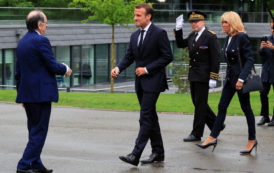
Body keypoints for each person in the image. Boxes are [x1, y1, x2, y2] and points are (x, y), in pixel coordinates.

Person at [111, 3, 173, 166]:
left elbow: (167, 56)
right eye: (135, 15)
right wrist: (118, 67)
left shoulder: (160, 33)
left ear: (148, 16)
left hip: (154, 81)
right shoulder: (135, 35)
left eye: (138, 15)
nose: (135, 18)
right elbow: (129, 56)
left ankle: (135, 154)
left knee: (145, 117)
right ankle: (158, 153)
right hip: (140, 83)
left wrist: (146, 69)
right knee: (150, 117)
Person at [15, 10, 72, 173]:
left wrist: (22, 96)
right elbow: (53, 66)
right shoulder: (41, 41)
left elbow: (18, 73)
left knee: (34, 131)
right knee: (39, 132)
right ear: (39, 25)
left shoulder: (22, 42)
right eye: (46, 23)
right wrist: (66, 69)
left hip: (29, 95)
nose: (47, 26)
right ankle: (24, 165)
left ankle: (36, 163)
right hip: (40, 95)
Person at [197, 11, 257, 154]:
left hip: (240, 81)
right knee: (221, 107)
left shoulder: (242, 37)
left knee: (246, 109)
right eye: (222, 22)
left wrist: (241, 79)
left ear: (233, 23)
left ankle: (252, 140)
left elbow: (249, 60)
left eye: (226, 22)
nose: (223, 25)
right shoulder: (228, 38)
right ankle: (212, 137)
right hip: (230, 80)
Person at [174, 11, 222, 142]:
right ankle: (216, 124)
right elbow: (180, 44)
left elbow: (216, 58)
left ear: (203, 22)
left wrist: (213, 77)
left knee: (200, 105)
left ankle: (196, 133)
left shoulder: (210, 36)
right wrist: (178, 30)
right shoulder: (192, 36)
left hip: (204, 76)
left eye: (196, 21)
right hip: (194, 74)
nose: (193, 24)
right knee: (197, 102)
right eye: (191, 22)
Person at [257, 19, 274, 126]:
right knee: (263, 93)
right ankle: (265, 116)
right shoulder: (267, 38)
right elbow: (261, 55)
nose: (272, 29)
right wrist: (261, 49)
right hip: (267, 72)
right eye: (272, 27)